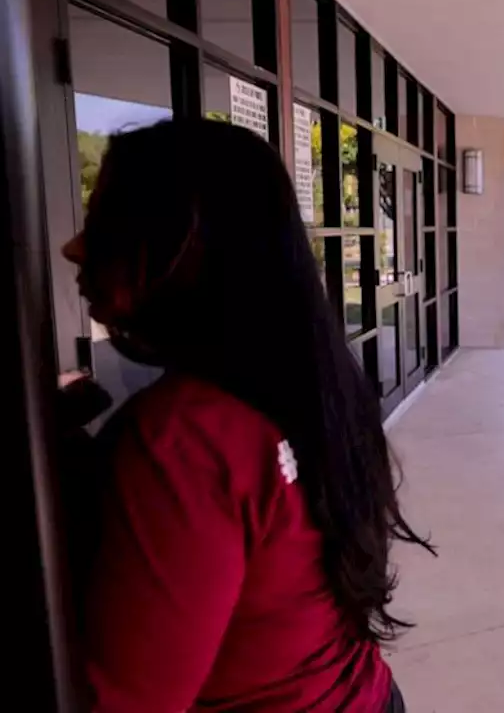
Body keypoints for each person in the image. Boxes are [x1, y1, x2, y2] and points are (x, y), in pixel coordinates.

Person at [61, 119, 428, 712]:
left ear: (185, 244)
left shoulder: (185, 437)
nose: (73, 247)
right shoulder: (319, 386)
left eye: (105, 223)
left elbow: (128, 703)